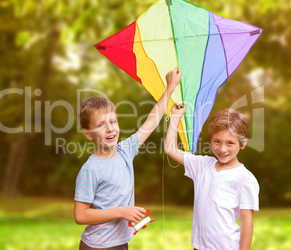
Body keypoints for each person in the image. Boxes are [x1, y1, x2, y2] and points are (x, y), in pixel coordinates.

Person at [74, 68, 182, 249]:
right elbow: (81, 215)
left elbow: (151, 121)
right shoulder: (90, 169)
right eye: (101, 125)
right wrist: (122, 212)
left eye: (113, 122)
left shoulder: (125, 150)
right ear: (88, 134)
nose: (110, 129)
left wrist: (169, 88)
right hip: (98, 246)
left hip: (121, 243)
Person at [164, 105, 259, 250]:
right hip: (199, 246)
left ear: (243, 143)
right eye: (217, 142)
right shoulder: (202, 165)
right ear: (211, 140)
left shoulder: (245, 179)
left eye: (230, 143)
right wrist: (176, 116)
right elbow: (170, 149)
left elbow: (247, 223)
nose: (222, 149)